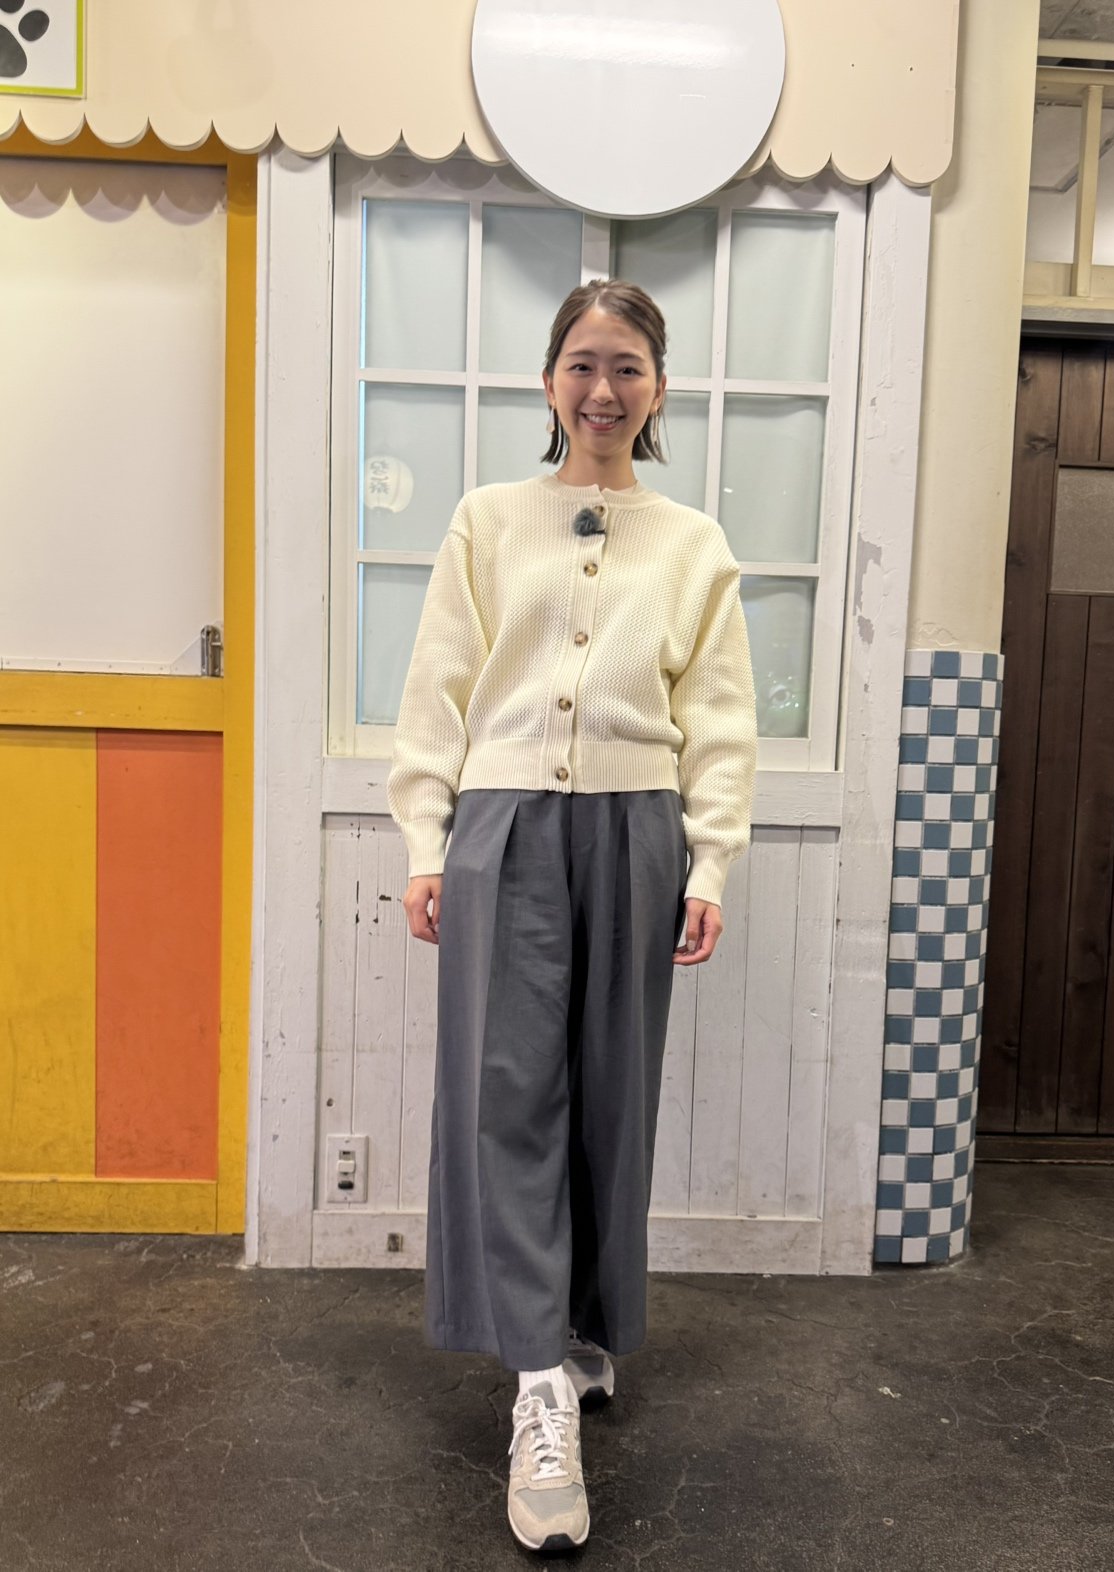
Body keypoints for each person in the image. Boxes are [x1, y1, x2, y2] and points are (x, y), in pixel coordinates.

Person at [386, 278, 758, 1553]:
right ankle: (536, 1380)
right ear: (549, 380)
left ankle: (584, 1328)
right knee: (506, 1097)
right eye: (583, 364)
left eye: (627, 367)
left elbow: (718, 715)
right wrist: (426, 839)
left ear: (657, 389)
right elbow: (438, 684)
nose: (603, 389)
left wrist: (708, 866)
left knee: (610, 1093)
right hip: (502, 827)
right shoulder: (488, 521)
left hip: (636, 829)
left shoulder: (691, 543)